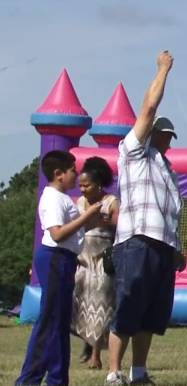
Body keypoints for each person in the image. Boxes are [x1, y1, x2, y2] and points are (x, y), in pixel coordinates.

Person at [106, 51, 187, 386]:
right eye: (163, 133)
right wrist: (162, 70)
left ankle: (138, 372)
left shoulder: (168, 169)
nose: (167, 139)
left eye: (170, 135)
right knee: (128, 306)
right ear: (150, 132)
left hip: (162, 245)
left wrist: (176, 248)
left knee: (152, 313)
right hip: (136, 241)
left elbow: (170, 212)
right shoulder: (134, 151)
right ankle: (113, 372)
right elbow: (149, 107)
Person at [16, 150, 103, 386]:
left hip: (64, 258)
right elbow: (57, 233)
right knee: (50, 321)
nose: (76, 175)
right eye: (73, 170)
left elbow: (71, 231)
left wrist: (93, 220)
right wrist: (87, 216)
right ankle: (29, 379)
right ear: (58, 174)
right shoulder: (53, 198)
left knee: (60, 322)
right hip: (55, 257)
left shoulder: (62, 197)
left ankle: (58, 378)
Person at [72, 157, 121, 369]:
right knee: (81, 302)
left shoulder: (111, 202)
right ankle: (86, 341)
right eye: (80, 185)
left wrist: (109, 222)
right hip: (83, 261)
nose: (83, 189)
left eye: (87, 185)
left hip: (102, 261)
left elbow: (121, 229)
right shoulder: (79, 203)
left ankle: (96, 355)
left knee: (101, 305)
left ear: (98, 183)